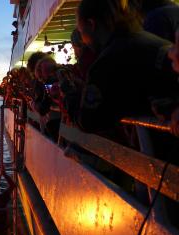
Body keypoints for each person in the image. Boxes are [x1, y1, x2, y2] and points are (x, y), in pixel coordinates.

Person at [72, 0, 179, 141]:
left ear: (91, 24)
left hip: (159, 149)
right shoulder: (150, 40)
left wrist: (69, 94)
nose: (83, 40)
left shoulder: (107, 62)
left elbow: (88, 121)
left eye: (81, 31)